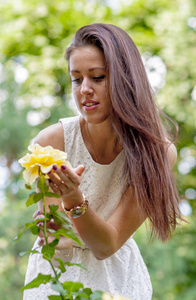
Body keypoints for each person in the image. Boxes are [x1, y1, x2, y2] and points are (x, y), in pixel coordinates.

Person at [23, 23, 183, 300]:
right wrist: (52, 226)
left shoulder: (158, 153)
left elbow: (107, 244)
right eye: (76, 79)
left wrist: (73, 198)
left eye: (97, 77)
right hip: (59, 276)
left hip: (117, 279)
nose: (84, 89)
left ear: (126, 79)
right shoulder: (51, 142)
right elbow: (56, 240)